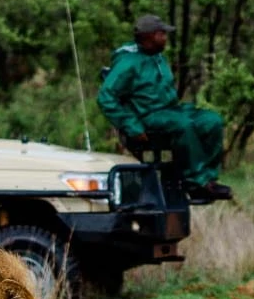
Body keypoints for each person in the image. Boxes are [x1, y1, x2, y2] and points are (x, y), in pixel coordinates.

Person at [97, 14, 231, 200]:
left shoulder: (157, 57)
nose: (165, 38)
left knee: (212, 121)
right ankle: (195, 180)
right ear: (148, 36)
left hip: (170, 109)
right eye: (161, 34)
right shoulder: (128, 63)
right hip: (148, 116)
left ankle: (207, 179)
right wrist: (131, 125)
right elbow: (106, 97)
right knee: (183, 125)